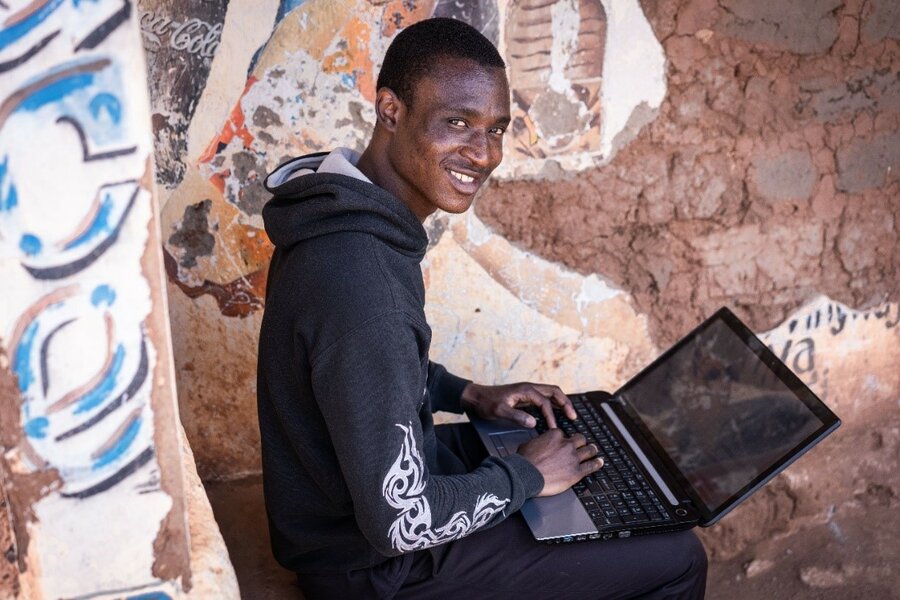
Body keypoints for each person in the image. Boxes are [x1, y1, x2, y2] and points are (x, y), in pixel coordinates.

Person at [258, 17, 707, 599]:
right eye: (458, 123)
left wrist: (466, 394)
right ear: (390, 110)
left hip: (345, 515)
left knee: (574, 468)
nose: (484, 153)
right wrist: (527, 476)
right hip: (371, 569)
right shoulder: (364, 285)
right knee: (676, 555)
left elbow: (354, 372)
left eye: (496, 129)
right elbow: (402, 522)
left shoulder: (336, 213)